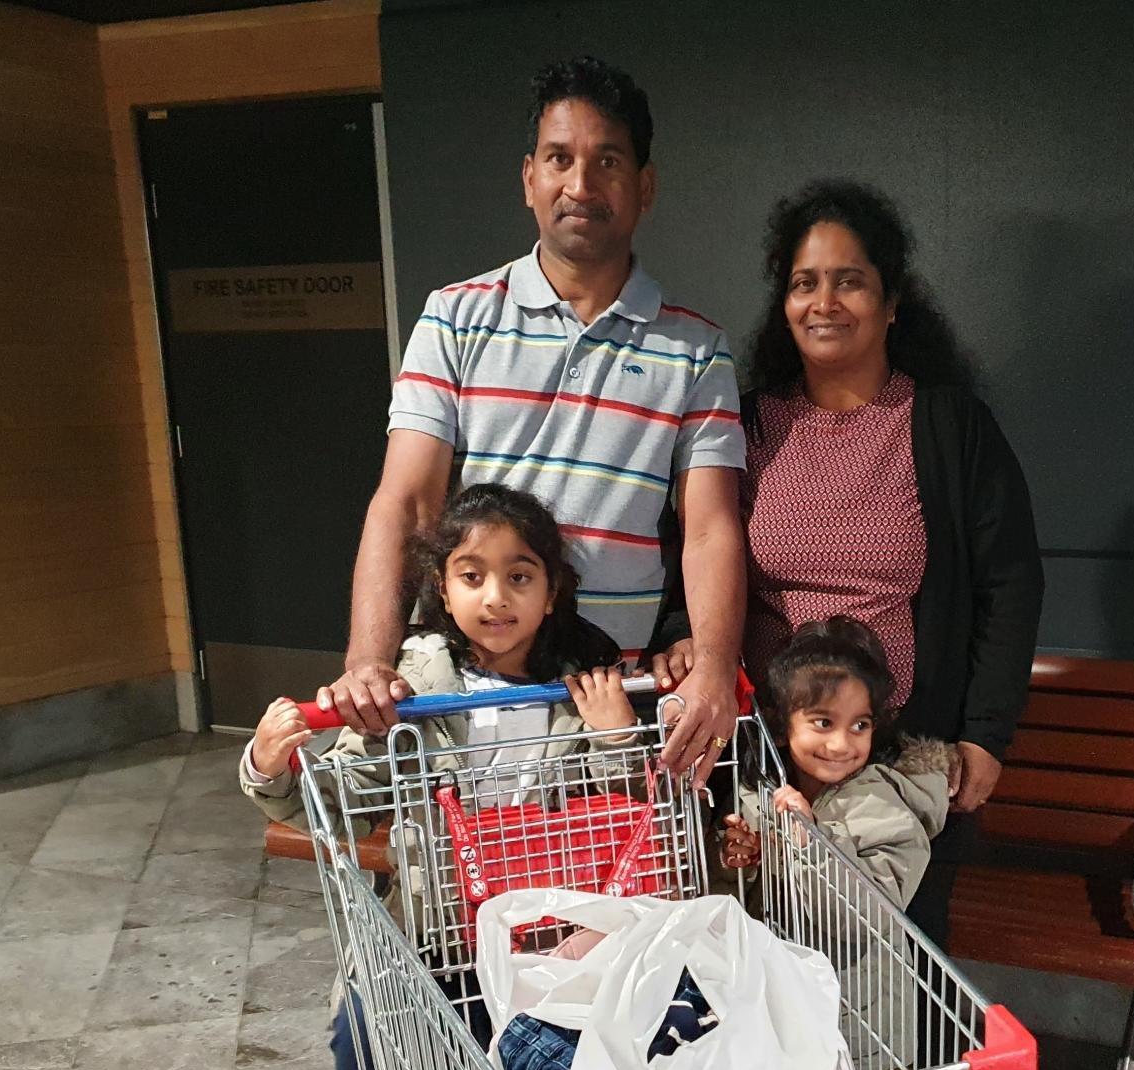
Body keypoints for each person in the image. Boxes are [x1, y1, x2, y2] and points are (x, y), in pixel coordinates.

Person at [241, 486, 643, 1070]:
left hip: (551, 942)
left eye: (519, 576)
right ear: (444, 585)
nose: (496, 597)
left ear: (553, 588)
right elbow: (349, 796)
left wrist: (612, 742)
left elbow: (629, 822)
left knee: (563, 1064)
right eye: (473, 575)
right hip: (438, 937)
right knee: (365, 1027)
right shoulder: (409, 687)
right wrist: (274, 764)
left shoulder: (587, 682)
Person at [321, 55, 746, 784]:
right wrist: (369, 660)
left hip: (609, 707)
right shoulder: (454, 318)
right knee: (463, 893)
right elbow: (409, 501)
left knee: (616, 894)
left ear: (643, 187)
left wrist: (713, 669)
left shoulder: (697, 349)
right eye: (559, 159)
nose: (580, 185)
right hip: (467, 704)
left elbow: (709, 528)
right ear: (529, 179)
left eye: (607, 161)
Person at [657, 180, 1043, 945]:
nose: (823, 302)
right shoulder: (747, 422)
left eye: (849, 280)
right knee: (756, 963)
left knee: (884, 971)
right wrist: (682, 634)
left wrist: (986, 737)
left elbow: (1012, 583)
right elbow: (695, 553)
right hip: (761, 762)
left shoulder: (945, 426)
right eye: (804, 283)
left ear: (892, 300)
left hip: (893, 771)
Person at [719, 616, 953, 909]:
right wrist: (737, 861)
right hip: (773, 954)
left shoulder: (887, 809)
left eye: (860, 725)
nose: (841, 744)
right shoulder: (755, 795)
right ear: (780, 726)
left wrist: (812, 842)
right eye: (824, 722)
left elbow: (869, 920)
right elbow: (725, 902)